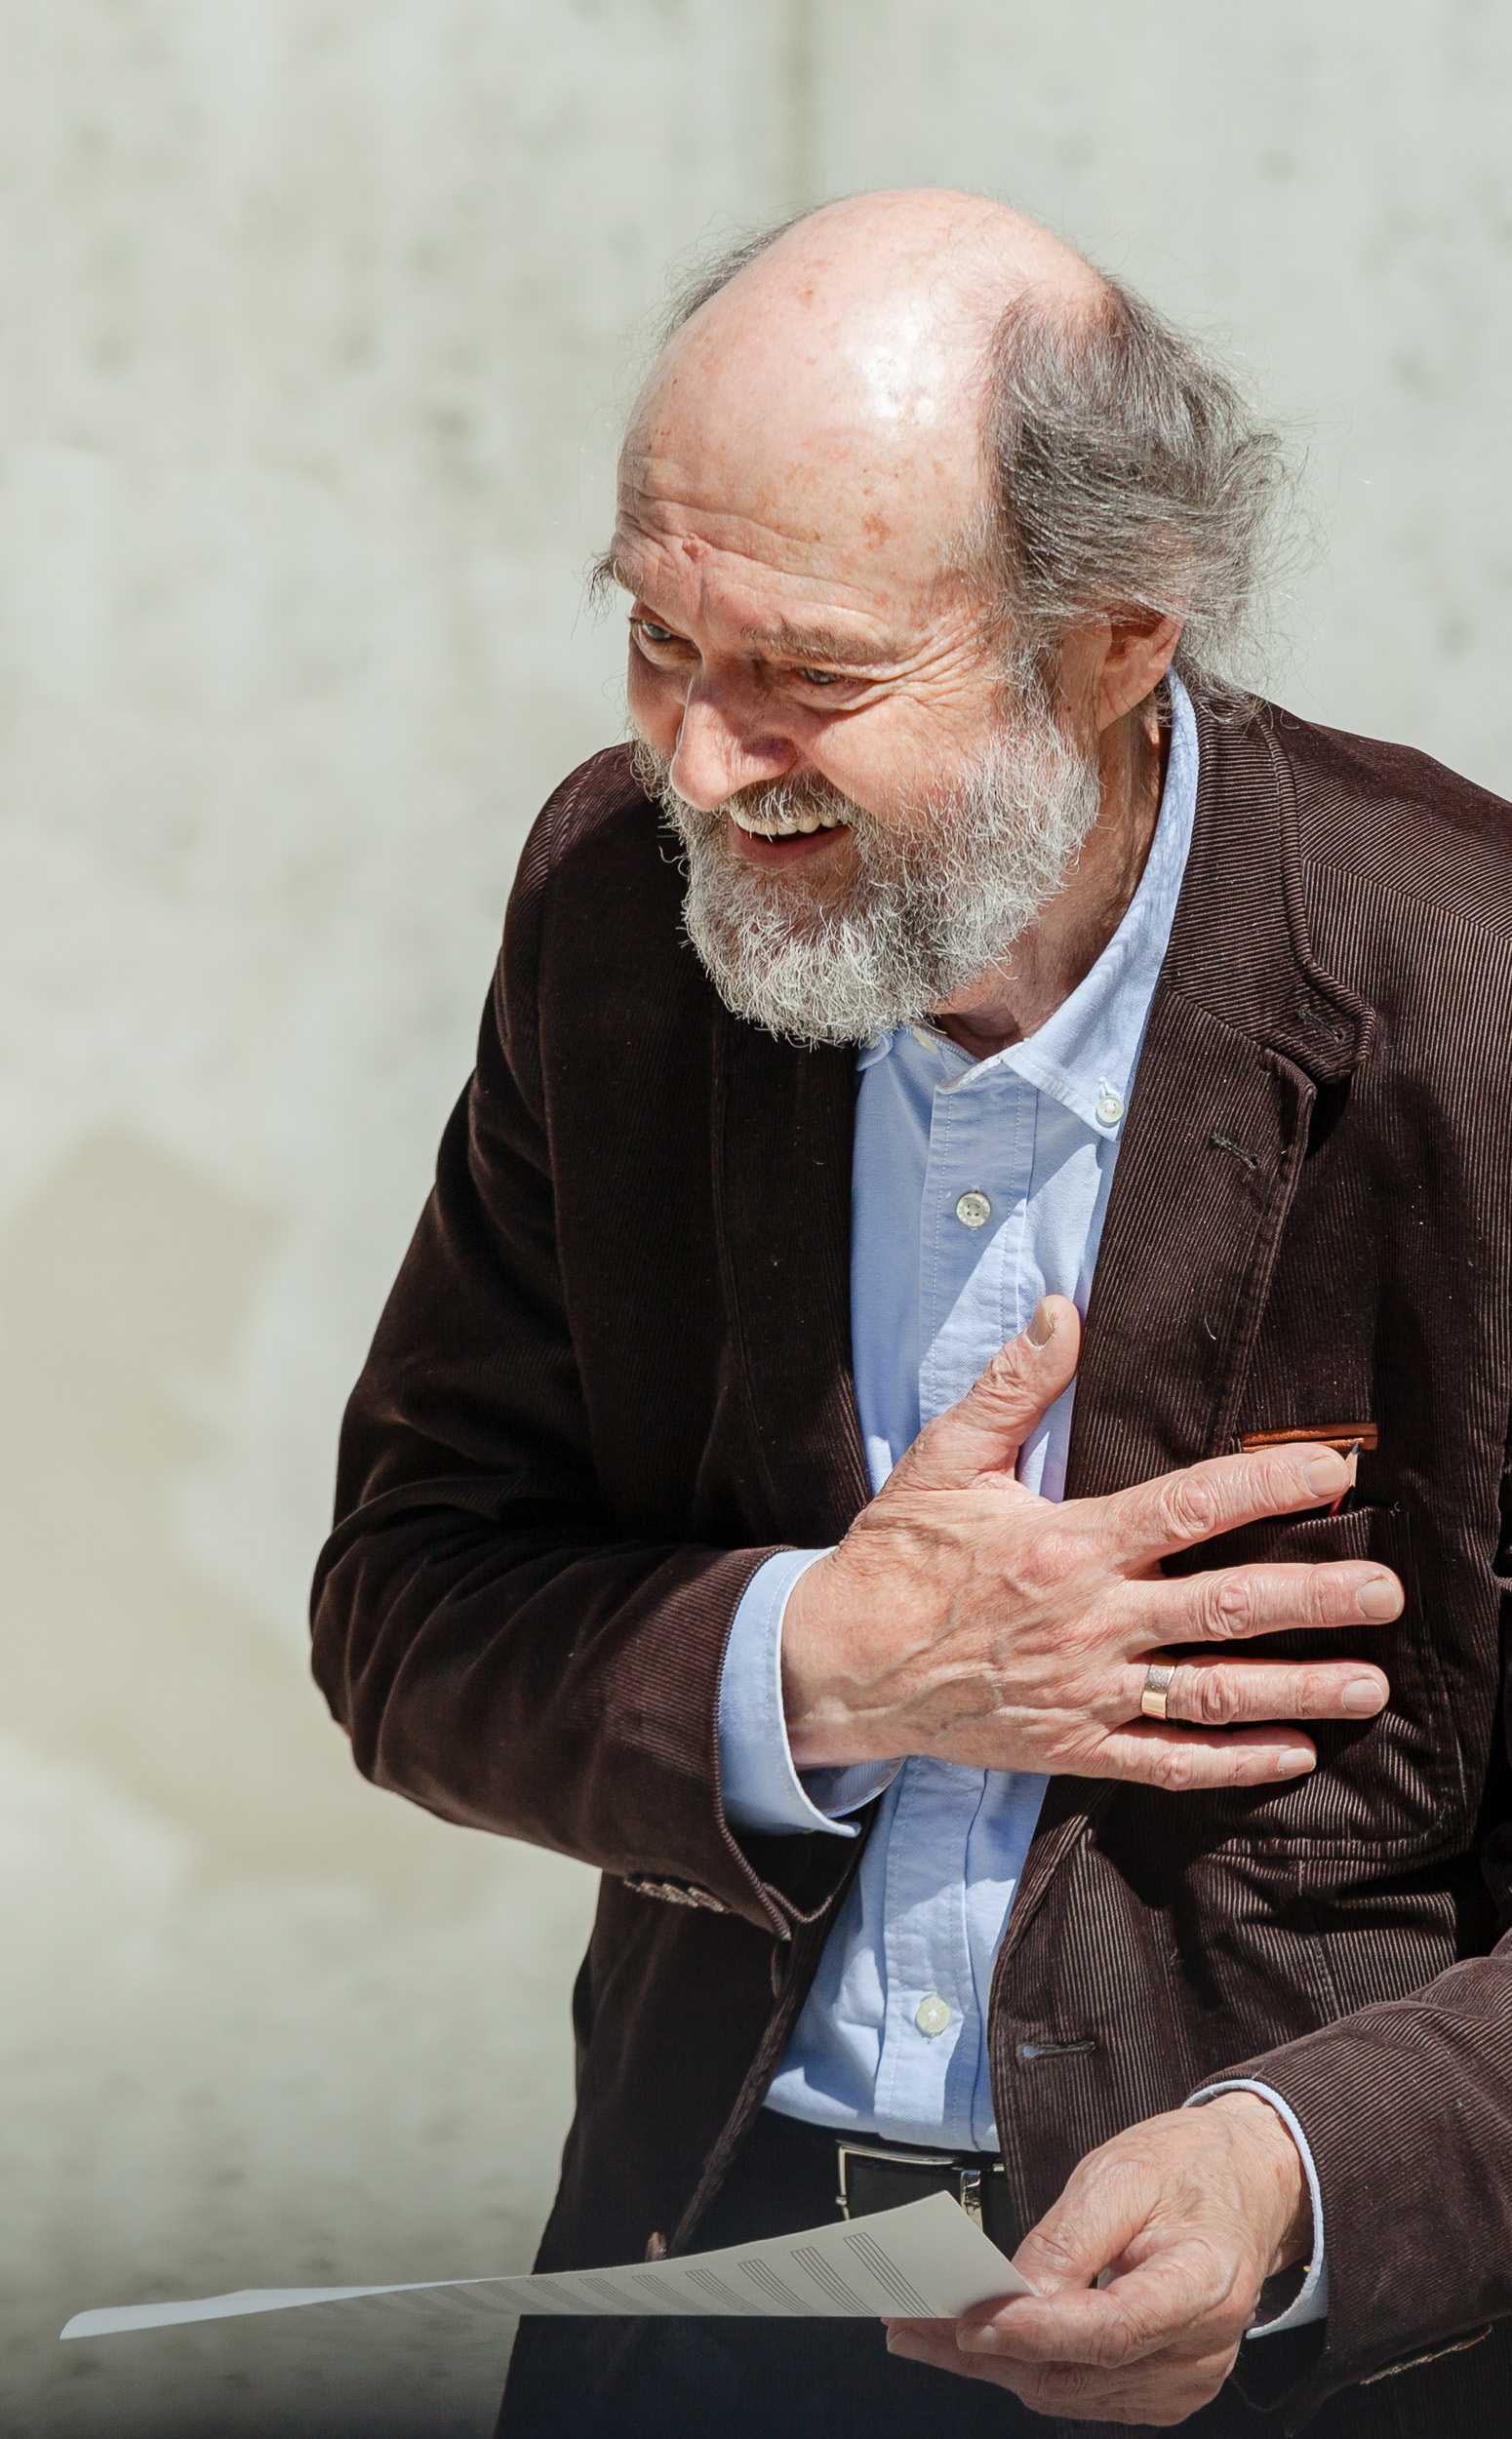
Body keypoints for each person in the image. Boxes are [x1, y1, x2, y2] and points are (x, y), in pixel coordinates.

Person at [310, 189, 1512, 2437]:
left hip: (1292, 2358)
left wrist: (1295, 2167)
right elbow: (405, 1606)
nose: (698, 761)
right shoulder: (611, 913)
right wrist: (816, 1665)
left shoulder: (1474, 1015)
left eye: (811, 678)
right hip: (708, 2281)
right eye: (660, 640)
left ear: (1115, 641)